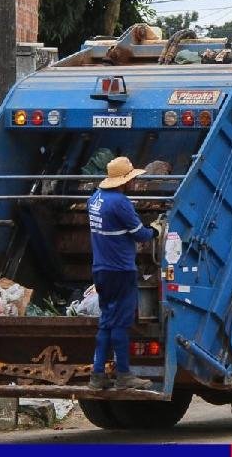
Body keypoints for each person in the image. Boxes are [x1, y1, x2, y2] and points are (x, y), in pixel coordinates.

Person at [87, 156, 163, 390]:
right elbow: (140, 234)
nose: (133, 182)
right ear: (124, 181)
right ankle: (123, 374)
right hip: (120, 270)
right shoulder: (119, 202)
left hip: (101, 269)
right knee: (120, 323)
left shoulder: (95, 199)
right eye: (131, 178)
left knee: (106, 322)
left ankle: (98, 375)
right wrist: (157, 231)